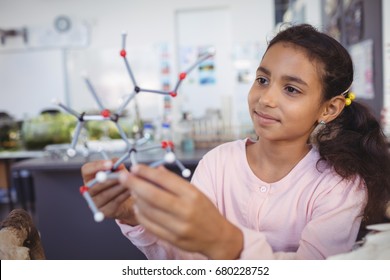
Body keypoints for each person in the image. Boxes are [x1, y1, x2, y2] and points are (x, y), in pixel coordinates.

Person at [81, 23, 390, 259]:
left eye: (291, 89)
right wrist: (135, 217)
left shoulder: (340, 185)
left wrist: (229, 243)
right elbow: (183, 260)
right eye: (263, 80)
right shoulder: (218, 163)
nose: (266, 98)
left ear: (329, 108)